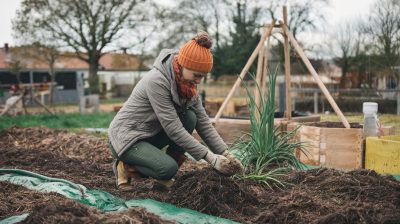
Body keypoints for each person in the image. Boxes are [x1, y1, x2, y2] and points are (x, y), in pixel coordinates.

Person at [108, 32, 243, 190]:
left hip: (149, 133)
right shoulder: (157, 81)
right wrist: (211, 158)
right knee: (167, 168)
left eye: (203, 76)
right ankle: (124, 166)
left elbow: (203, 122)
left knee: (190, 118)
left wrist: (226, 154)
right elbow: (173, 129)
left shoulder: (187, 85)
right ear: (183, 64)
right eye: (196, 75)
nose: (198, 81)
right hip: (126, 138)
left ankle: (162, 176)